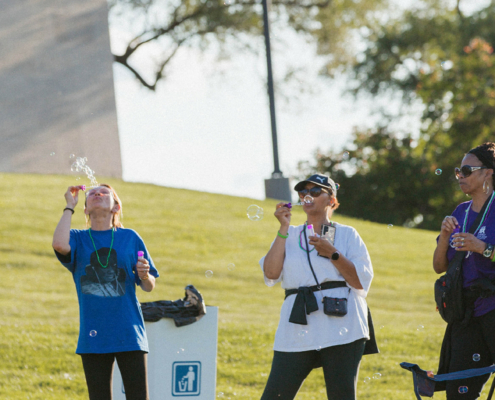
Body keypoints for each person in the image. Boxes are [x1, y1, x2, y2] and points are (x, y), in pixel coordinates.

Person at [259, 174, 377, 400]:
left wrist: (333, 254)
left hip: (342, 324)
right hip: (297, 324)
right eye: (303, 193)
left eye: (315, 192)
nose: (307, 196)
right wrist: (283, 227)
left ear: (332, 201)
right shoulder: (289, 234)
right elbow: (271, 274)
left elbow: (361, 283)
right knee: (275, 396)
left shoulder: (347, 234)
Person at [52, 184, 159, 400]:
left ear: (116, 207)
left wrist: (145, 275)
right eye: (91, 193)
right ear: (85, 209)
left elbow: (148, 286)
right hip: (94, 336)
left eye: (104, 192)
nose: (97, 194)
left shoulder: (130, 237)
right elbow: (59, 245)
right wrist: (69, 206)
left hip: (129, 333)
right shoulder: (77, 237)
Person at [433, 142, 495, 400]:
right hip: (465, 313)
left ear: (488, 172)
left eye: (467, 170)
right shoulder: (460, 211)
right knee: (457, 391)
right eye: (459, 170)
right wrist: (445, 236)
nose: (460, 176)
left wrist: (484, 248)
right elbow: (439, 266)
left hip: (493, 308)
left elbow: (483, 251)